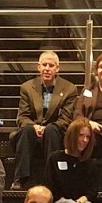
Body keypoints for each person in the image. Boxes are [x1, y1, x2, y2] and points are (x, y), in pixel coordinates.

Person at [13, 50, 79, 189]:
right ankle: (20, 179)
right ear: (39, 67)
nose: (47, 68)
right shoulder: (27, 87)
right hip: (32, 131)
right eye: (44, 65)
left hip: (56, 131)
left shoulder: (69, 89)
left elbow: (66, 118)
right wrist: (35, 126)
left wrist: (47, 128)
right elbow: (23, 116)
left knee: (51, 130)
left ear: (57, 69)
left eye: (51, 65)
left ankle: (51, 178)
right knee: (26, 130)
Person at [46, 119, 102, 203]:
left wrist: (81, 200)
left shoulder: (90, 164)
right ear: (72, 135)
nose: (85, 140)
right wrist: (69, 202)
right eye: (81, 135)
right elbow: (49, 187)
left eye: (88, 137)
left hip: (80, 202)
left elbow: (92, 191)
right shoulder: (55, 158)